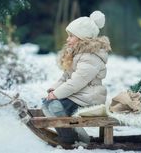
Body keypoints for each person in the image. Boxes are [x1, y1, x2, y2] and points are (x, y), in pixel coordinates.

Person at [42, 10, 111, 145]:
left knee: (54, 106)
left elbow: (77, 82)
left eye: (71, 36)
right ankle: (72, 132)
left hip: (89, 98)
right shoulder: (78, 54)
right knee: (47, 104)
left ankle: (70, 139)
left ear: (82, 37)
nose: (67, 39)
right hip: (80, 96)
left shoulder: (90, 56)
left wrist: (56, 95)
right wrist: (54, 89)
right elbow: (66, 76)